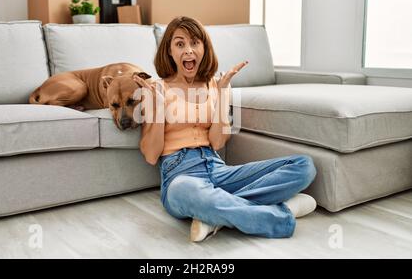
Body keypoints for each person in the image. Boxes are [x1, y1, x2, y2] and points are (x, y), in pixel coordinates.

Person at [133, 16, 317, 243]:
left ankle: (214, 216)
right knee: (191, 194)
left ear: (204, 47)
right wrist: (159, 110)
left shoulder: (215, 85)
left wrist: (222, 95)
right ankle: (281, 216)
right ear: (169, 51)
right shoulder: (156, 89)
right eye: (180, 44)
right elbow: (151, 156)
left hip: (216, 167)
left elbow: (218, 143)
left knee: (304, 166)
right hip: (180, 175)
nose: (188, 50)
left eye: (195, 43)